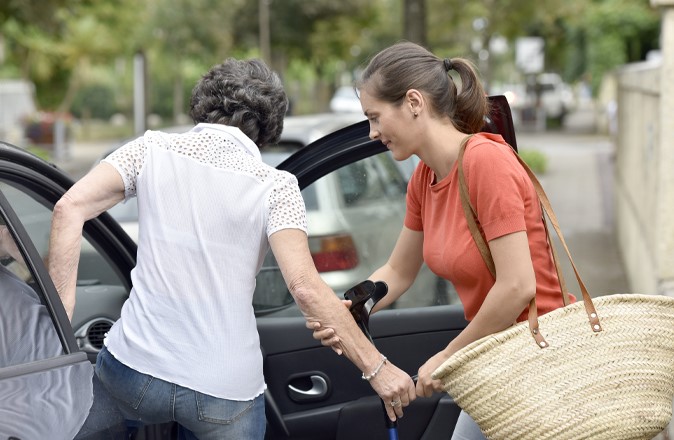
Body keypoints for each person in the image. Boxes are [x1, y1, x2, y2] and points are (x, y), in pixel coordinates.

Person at [48, 57, 416, 439]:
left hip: (133, 372)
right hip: (223, 393)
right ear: (269, 125)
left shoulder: (149, 149)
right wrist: (376, 367)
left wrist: (59, 324)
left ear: (203, 102)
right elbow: (305, 288)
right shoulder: (275, 186)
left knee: (70, 426)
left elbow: (68, 207)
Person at [312, 41, 575, 440]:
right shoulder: (425, 177)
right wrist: (352, 307)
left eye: (375, 117)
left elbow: (518, 286)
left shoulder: (487, 163)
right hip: (493, 363)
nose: (372, 132)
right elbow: (399, 271)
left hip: (540, 363)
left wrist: (449, 356)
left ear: (414, 102)